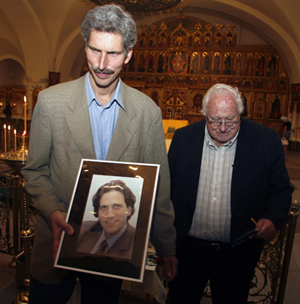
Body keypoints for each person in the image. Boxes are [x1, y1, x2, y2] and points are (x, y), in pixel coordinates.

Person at [21, 4, 177, 304]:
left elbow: (159, 189)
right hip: (56, 241)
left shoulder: (147, 112)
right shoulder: (51, 102)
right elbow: (34, 170)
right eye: (95, 51)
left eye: (114, 54)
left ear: (129, 54)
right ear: (85, 47)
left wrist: (167, 246)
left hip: (113, 250)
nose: (102, 64)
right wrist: (53, 211)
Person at [168, 83, 293, 304]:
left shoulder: (266, 141)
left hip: (236, 252)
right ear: (204, 114)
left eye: (232, 120)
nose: (223, 127)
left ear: (240, 114)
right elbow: (166, 190)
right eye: (215, 120)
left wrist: (273, 218)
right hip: (188, 250)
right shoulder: (183, 138)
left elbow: (280, 190)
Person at [77, 180, 136, 260]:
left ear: (129, 210)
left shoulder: (137, 242)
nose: (110, 215)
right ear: (98, 211)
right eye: (104, 207)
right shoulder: (83, 228)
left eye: (117, 206)